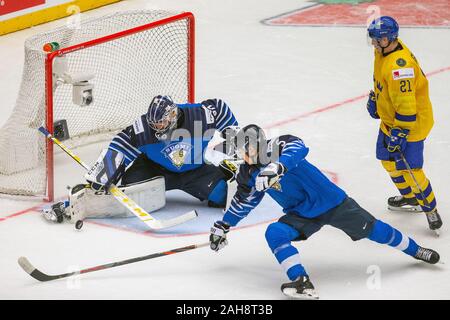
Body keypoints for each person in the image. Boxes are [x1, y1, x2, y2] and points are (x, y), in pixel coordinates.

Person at [208, 125, 440, 299]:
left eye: (241, 149)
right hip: (301, 213)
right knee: (275, 232)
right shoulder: (247, 173)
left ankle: (415, 250)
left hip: (332, 202)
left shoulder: (277, 146)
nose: (238, 155)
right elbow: (243, 202)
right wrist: (223, 225)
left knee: (376, 231)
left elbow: (298, 146)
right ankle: (301, 281)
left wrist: (277, 167)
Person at [43, 95, 239, 224]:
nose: (157, 127)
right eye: (154, 123)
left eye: (161, 122)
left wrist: (235, 146)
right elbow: (122, 143)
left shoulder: (200, 116)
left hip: (196, 171)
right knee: (130, 191)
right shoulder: (144, 128)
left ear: (172, 115)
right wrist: (106, 171)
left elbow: (220, 109)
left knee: (223, 196)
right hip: (156, 168)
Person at [366, 16, 442, 232]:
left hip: (411, 126)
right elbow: (382, 81)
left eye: (377, 39)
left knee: (412, 169)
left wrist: (400, 133)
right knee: (388, 160)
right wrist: (376, 99)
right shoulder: (383, 51)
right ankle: (410, 197)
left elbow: (408, 107)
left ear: (390, 38)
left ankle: (430, 209)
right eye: (372, 38)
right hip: (390, 121)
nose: (373, 43)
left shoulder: (400, 68)